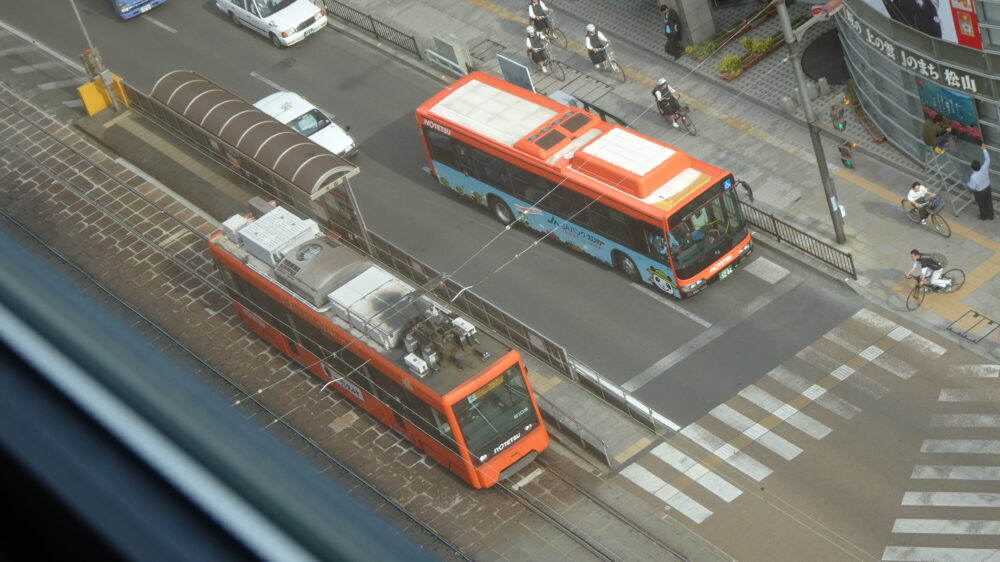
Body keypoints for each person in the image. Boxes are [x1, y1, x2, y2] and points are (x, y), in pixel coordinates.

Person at [968, 143, 993, 220]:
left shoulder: (973, 177)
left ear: (972, 168)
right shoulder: (984, 167)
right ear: (979, 165)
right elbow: (987, 159)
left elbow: (972, 187)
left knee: (982, 204)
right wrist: (984, 149)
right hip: (988, 187)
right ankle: (991, 216)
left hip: (980, 192)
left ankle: (983, 216)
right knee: (989, 202)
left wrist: (967, 185)